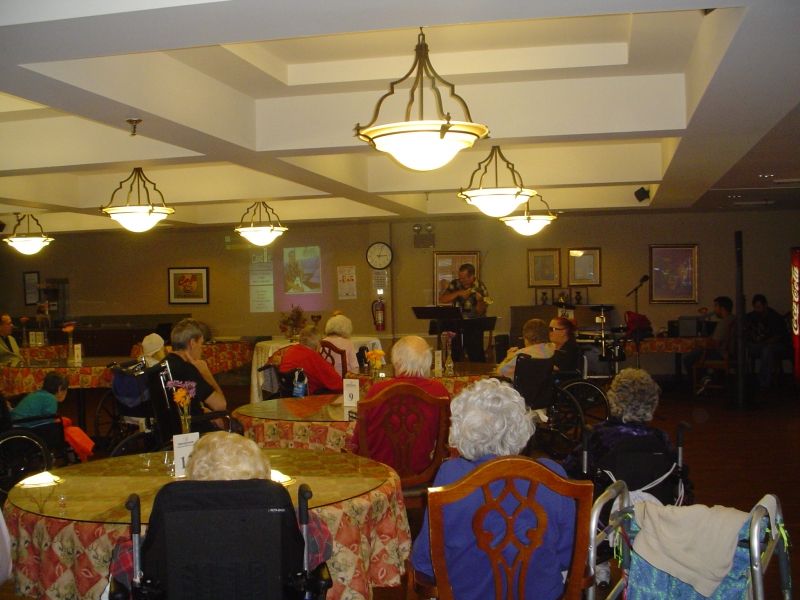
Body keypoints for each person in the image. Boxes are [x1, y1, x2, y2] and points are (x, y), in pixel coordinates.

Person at [410, 379, 575, 600]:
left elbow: (425, 562)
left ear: (461, 429)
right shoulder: (552, 474)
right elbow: (569, 556)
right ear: (522, 426)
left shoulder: (451, 475)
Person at [351, 336, 450, 472]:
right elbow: (447, 437)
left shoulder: (378, 390)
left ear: (397, 361)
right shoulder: (439, 391)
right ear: (428, 361)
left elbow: (357, 440)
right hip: (423, 471)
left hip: (378, 473)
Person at [563, 368, 672, 480]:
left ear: (613, 399)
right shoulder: (661, 438)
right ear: (652, 402)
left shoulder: (599, 436)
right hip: (650, 490)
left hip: (608, 490)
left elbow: (571, 469)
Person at [11, 372, 94, 462]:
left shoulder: (37, 394)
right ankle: (80, 457)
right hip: (27, 428)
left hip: (17, 425)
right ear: (60, 389)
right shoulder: (50, 398)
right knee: (70, 430)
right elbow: (49, 422)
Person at [165, 318, 227, 429]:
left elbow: (179, 402)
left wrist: (203, 410)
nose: (202, 350)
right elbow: (220, 405)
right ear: (192, 343)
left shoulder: (163, 365)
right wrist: (206, 373)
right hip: (193, 430)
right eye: (201, 344)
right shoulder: (187, 369)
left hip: (169, 428)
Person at [438, 263, 490, 362]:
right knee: (455, 354)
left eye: (463, 278)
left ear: (471, 276)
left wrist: (480, 301)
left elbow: (481, 311)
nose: (461, 280)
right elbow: (443, 299)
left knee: (476, 354)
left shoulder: (480, 287)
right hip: (456, 324)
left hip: (474, 325)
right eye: (460, 277)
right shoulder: (455, 284)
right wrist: (458, 293)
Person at [279, 326, 343, 395]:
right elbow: (337, 384)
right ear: (317, 343)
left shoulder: (291, 350)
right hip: (307, 397)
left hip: (288, 395)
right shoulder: (311, 357)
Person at [745, 294, 790, 389]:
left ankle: (764, 381)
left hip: (776, 345)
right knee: (745, 348)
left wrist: (765, 342)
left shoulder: (775, 317)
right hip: (757, 345)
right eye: (755, 307)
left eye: (759, 307)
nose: (757, 310)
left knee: (767, 350)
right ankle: (746, 380)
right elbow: (747, 330)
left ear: (765, 305)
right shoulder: (751, 316)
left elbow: (779, 335)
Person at [682, 295, 735, 376]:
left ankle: (700, 379)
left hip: (721, 354)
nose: (714, 310)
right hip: (730, 353)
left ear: (722, 308)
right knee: (696, 352)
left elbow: (715, 343)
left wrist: (700, 343)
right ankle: (706, 377)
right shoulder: (733, 319)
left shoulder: (723, 323)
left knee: (688, 358)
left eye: (716, 306)